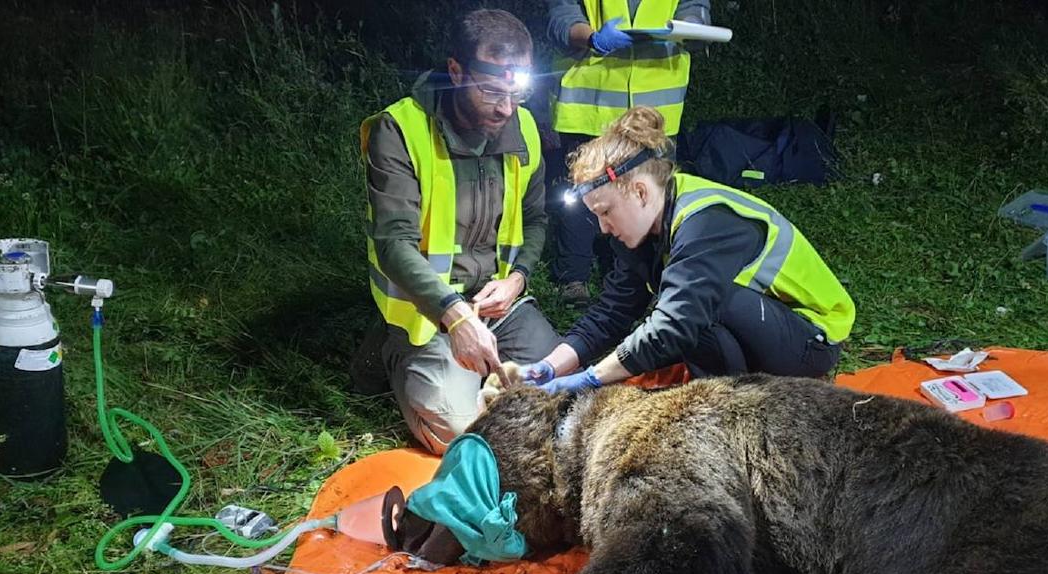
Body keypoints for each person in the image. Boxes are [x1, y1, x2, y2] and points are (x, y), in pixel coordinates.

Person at [522, 106, 855, 394]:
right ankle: (730, 395)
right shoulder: (642, 230)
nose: (603, 228)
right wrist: (551, 368)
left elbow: (675, 323)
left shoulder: (706, 221)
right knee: (680, 316)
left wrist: (592, 378)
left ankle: (736, 407)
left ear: (639, 192)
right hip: (758, 328)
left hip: (810, 339)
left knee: (690, 311)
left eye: (605, 212)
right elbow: (613, 312)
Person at [350, 9, 561, 454]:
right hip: (427, 316)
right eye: (490, 92)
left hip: (498, 306)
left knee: (563, 393)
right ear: (456, 72)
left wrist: (518, 278)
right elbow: (393, 244)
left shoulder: (522, 125)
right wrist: (455, 316)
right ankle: (394, 353)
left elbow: (537, 218)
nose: (506, 108)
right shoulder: (400, 130)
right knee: (464, 435)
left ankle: (477, 368)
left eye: (516, 93)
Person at [546, 0, 711, 306]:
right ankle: (573, 277)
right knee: (582, 195)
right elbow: (560, 19)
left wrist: (690, 28)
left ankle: (637, 279)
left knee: (646, 197)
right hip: (590, 107)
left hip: (655, 110)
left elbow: (696, 9)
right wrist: (592, 38)